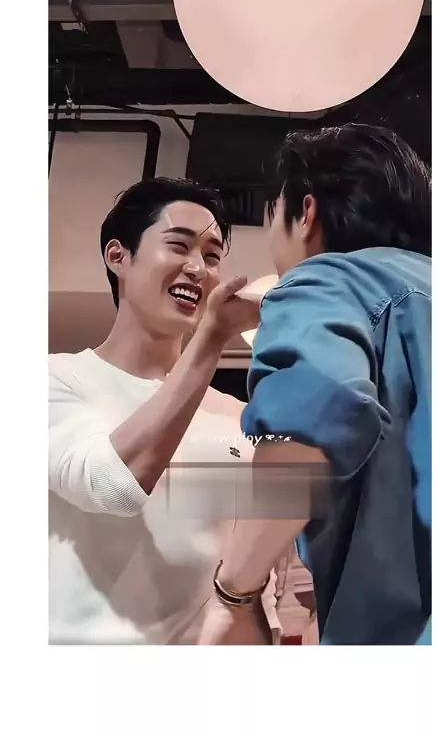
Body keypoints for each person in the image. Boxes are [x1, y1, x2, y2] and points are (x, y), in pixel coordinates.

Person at [199, 124, 431, 646]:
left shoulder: (324, 280)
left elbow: (314, 418)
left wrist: (234, 594)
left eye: (272, 215)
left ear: (306, 214)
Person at [49, 177, 283, 644]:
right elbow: (112, 486)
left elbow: (255, 586)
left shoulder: (240, 418)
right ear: (118, 256)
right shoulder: (57, 378)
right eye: (179, 246)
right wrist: (212, 338)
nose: (198, 268)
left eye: (212, 256)